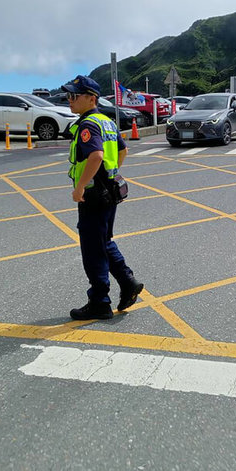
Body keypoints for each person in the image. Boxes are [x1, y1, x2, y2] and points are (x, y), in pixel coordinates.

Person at [61, 74, 143, 320]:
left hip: (94, 194)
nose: (70, 100)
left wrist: (81, 187)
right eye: (68, 96)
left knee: (92, 248)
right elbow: (123, 150)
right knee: (104, 240)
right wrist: (112, 174)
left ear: (91, 98)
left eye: (74, 96)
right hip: (109, 190)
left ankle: (99, 301)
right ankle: (127, 282)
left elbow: (96, 155)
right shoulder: (106, 121)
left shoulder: (88, 124)